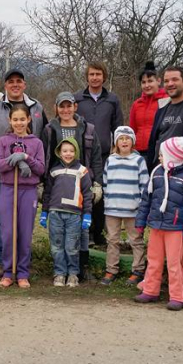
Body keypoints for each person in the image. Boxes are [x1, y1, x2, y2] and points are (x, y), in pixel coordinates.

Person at [0, 68, 47, 277]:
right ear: (10, 121)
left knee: (24, 233)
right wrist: (10, 160)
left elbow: (40, 169)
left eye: (23, 119)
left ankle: (22, 272)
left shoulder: (36, 143)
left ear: (29, 120)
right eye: (16, 120)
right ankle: (7, 271)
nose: (19, 123)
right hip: (7, 188)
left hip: (28, 190)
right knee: (7, 232)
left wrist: (26, 158)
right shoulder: (4, 141)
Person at [40, 91, 103, 282]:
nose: (66, 109)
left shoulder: (88, 129)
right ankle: (61, 270)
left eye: (69, 106)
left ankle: (81, 268)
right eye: (62, 106)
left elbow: (96, 158)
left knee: (81, 231)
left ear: (75, 107)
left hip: (82, 183)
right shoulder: (50, 129)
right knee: (60, 234)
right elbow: (45, 156)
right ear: (56, 108)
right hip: (59, 183)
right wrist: (43, 183)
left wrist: (97, 183)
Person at [134, 137, 183, 311]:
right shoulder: (156, 173)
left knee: (174, 263)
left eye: (163, 155)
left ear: (173, 157)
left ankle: (178, 294)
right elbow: (146, 200)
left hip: (176, 228)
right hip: (156, 225)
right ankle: (150, 289)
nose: (159, 158)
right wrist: (141, 221)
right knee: (154, 260)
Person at [74, 61, 124, 246]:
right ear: (87, 77)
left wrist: (117, 150)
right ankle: (83, 231)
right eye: (92, 74)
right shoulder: (77, 98)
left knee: (100, 192)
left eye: (98, 74)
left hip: (103, 155)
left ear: (104, 77)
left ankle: (98, 232)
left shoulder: (112, 99)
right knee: (82, 192)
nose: (95, 78)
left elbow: (118, 127)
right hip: (80, 154)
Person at [99, 126, 149, 287]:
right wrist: (107, 200)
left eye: (128, 138)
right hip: (112, 207)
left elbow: (145, 184)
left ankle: (138, 270)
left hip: (132, 208)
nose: (124, 141)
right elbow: (105, 183)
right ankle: (111, 269)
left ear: (133, 141)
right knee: (112, 239)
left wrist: (141, 204)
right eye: (121, 138)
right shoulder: (110, 160)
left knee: (135, 240)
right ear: (116, 142)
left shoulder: (139, 160)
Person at [40, 137, 92, 288]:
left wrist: (87, 214)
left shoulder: (82, 171)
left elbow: (87, 194)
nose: (68, 154)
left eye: (71, 151)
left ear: (76, 152)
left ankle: (73, 274)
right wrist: (44, 212)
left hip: (74, 215)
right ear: (59, 153)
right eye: (65, 151)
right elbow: (48, 193)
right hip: (55, 213)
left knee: (72, 246)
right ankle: (59, 273)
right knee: (56, 246)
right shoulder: (54, 171)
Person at [129, 61, 167, 153]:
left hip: (159, 152)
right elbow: (132, 129)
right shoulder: (137, 104)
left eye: (150, 81)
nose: (147, 85)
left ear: (158, 81)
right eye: (143, 82)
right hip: (138, 151)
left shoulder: (166, 101)